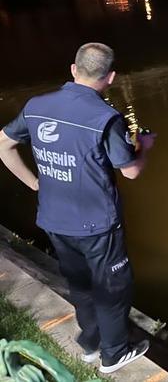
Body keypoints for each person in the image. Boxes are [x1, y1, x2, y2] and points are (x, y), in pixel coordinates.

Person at [0, 43, 155, 374]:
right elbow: (130, 170)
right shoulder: (105, 118)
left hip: (54, 220)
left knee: (79, 283)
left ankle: (90, 344)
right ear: (110, 77)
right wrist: (146, 148)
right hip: (97, 224)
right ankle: (113, 354)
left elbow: (3, 144)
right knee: (113, 287)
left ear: (74, 69)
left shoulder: (36, 105)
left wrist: (33, 183)